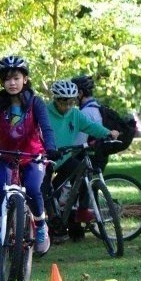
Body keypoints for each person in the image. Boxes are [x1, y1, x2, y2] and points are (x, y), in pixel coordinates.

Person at [0, 56, 58, 256]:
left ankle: (41, 226)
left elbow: (46, 127)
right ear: (2, 82)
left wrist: (51, 147)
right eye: (7, 79)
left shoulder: (36, 102)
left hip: (32, 156)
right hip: (6, 156)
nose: (12, 83)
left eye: (16, 78)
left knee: (34, 189)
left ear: (25, 79)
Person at [44, 80, 118, 242]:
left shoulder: (75, 114)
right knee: (45, 190)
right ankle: (50, 226)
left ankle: (75, 213)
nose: (69, 106)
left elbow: (91, 127)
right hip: (45, 159)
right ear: (56, 99)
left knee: (80, 173)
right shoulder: (44, 112)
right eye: (64, 101)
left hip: (64, 158)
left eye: (72, 101)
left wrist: (108, 133)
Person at [70, 75, 110, 172]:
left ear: (80, 93)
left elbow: (78, 144)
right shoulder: (97, 108)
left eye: (73, 93)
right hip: (100, 157)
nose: (72, 97)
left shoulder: (85, 113)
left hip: (88, 159)